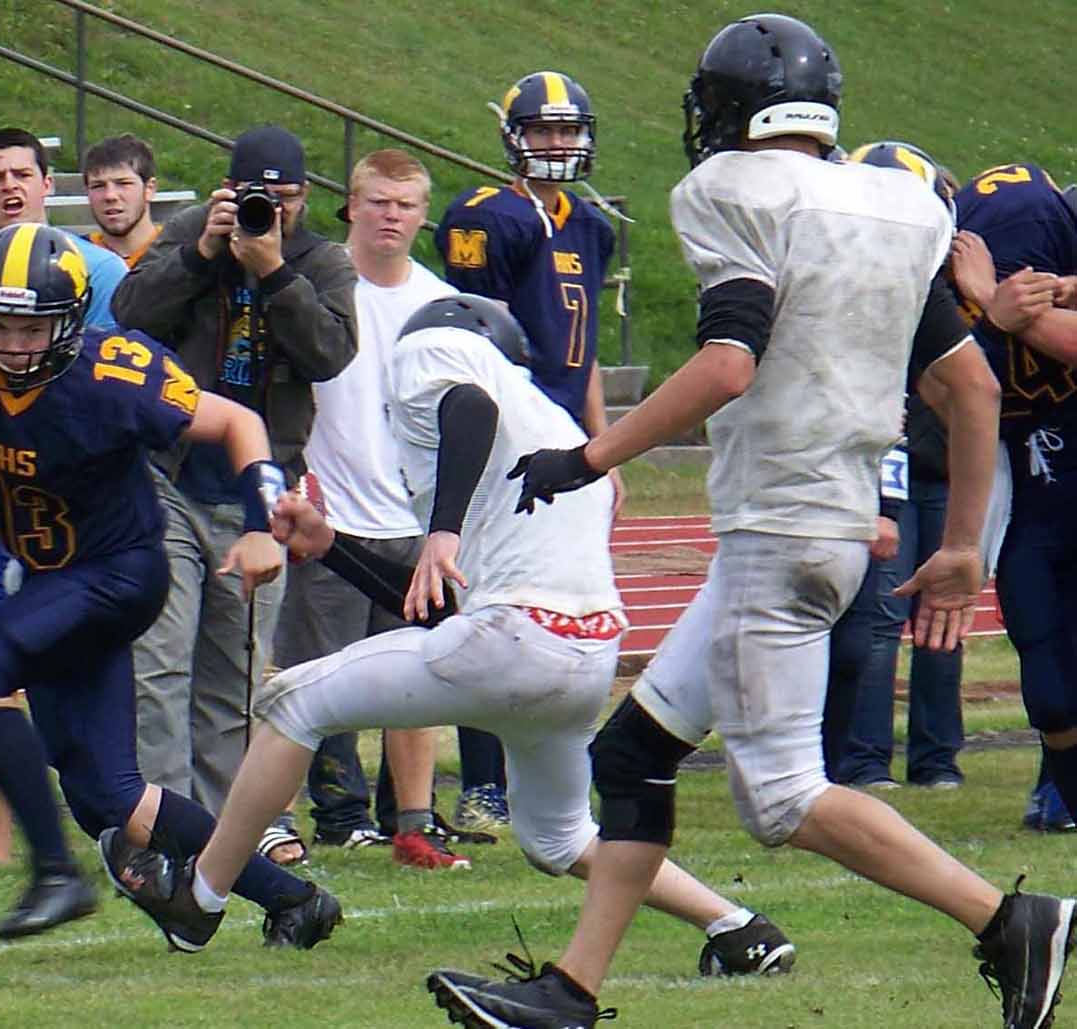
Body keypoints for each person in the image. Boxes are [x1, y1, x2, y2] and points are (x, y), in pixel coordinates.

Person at [429, 15, 1074, 1029]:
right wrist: (957, 545)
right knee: (628, 755)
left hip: (781, 528)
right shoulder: (896, 202)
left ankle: (1010, 920)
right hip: (816, 521)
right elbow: (971, 388)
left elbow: (729, 361)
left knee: (780, 800)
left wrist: (588, 457)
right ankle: (569, 994)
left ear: (726, 108)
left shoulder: (729, 191)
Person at [139, 294, 794, 975]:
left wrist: (442, 527)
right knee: (559, 837)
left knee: (292, 700)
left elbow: (467, 407)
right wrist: (330, 544)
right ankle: (737, 925)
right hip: (580, 654)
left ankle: (201, 897)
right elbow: (433, 609)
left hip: (512, 638)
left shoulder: (443, 357)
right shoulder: (555, 425)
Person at [0, 223, 341, 949]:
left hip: (120, 571)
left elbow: (238, 420)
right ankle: (293, 899)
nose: (12, 342)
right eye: (0, 322)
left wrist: (259, 521)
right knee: (109, 797)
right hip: (50, 579)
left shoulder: (109, 374)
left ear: (67, 324)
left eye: (32, 326)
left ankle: (55, 873)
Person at [111, 126, 357, 864]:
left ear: (304, 198)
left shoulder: (321, 259)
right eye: (255, 197)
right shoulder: (194, 235)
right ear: (225, 191)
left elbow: (330, 352)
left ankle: (225, 836)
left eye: (281, 200)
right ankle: (159, 829)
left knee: (239, 675)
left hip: (260, 493)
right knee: (158, 661)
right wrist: (198, 255)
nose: (266, 212)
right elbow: (128, 312)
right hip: (169, 477)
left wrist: (277, 274)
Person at [0, 127, 129, 869]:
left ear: (49, 183)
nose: (10, 187)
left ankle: (121, 811)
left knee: (107, 660)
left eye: (22, 173)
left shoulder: (102, 271)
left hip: (85, 503)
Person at [434, 70, 620, 832]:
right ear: (513, 138)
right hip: (510, 441)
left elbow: (588, 353)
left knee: (571, 610)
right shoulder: (486, 218)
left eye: (566, 130)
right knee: (492, 608)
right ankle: (483, 785)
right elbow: (474, 339)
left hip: (568, 447)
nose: (556, 144)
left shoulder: (592, 224)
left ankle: (554, 781)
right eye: (541, 131)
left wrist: (604, 448)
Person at [271, 148, 459, 866]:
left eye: (404, 204)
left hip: (409, 521)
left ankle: (414, 819)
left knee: (419, 675)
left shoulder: (436, 302)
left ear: (420, 215)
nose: (390, 216)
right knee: (306, 679)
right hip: (331, 515)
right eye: (377, 201)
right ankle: (275, 820)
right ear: (350, 206)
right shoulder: (320, 286)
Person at [833, 141, 966, 791]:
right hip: (880, 467)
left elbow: (978, 391)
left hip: (937, 467)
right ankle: (861, 757)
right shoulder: (850, 291)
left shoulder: (947, 292)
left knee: (943, 614)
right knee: (878, 617)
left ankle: (936, 756)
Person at [949, 162, 1077, 833]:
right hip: (1030, 494)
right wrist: (986, 318)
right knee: (1047, 681)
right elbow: (941, 394)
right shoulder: (946, 298)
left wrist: (1002, 307)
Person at [82, 133, 165, 268]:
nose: (110, 196)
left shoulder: (178, 253)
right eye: (98, 186)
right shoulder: (75, 257)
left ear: (149, 189)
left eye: (123, 183)